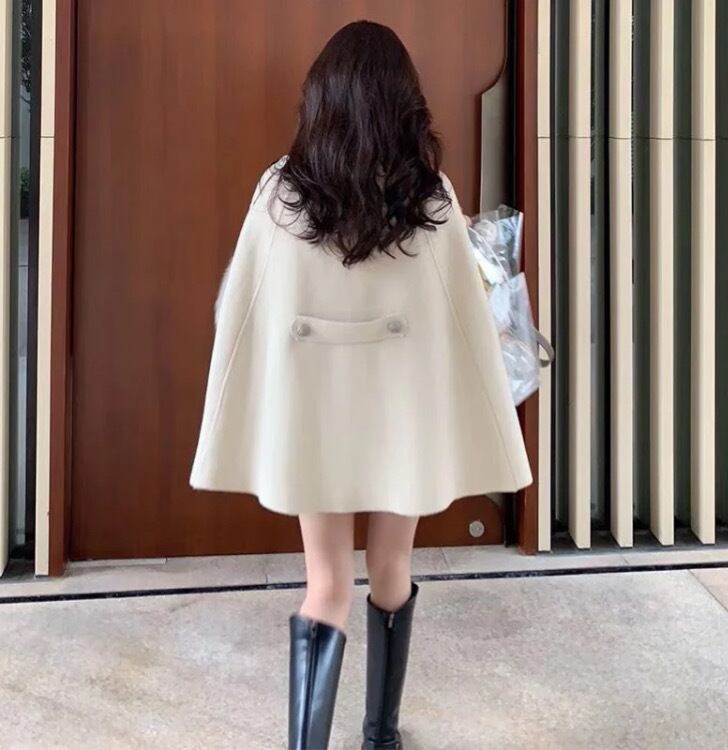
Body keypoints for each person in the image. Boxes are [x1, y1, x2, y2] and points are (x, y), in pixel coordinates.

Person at [189, 19, 532, 750]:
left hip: (313, 420)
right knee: (390, 567)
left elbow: (241, 308)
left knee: (326, 584)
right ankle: (380, 737)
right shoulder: (430, 199)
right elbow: (465, 321)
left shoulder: (282, 192)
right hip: (401, 420)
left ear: (321, 99)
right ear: (405, 103)